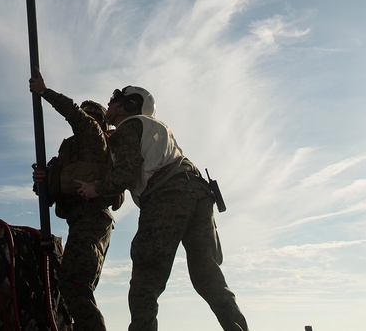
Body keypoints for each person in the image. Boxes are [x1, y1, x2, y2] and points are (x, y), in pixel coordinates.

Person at [75, 86, 249, 331]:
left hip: (166, 196)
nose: (109, 103)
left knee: (145, 281)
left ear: (130, 105)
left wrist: (96, 188)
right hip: (198, 191)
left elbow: (124, 174)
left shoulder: (129, 127)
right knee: (208, 276)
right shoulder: (154, 127)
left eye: (115, 100)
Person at [30, 68, 119, 331]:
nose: (86, 120)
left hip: (93, 219)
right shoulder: (69, 152)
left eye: (91, 116)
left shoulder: (95, 137)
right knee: (70, 287)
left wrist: (44, 91)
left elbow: (73, 113)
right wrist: (42, 181)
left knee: (75, 285)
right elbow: (50, 192)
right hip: (78, 221)